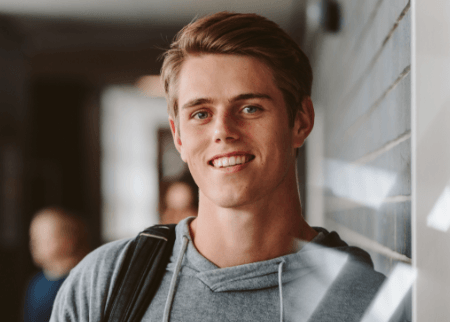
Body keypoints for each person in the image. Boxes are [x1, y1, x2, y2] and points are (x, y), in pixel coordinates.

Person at [50, 12, 390, 321]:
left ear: (301, 121)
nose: (223, 131)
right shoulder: (104, 284)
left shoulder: (372, 304)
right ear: (179, 136)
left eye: (250, 108)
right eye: (200, 114)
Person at [24, 207, 90, 322]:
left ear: (69, 241)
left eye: (45, 237)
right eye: (33, 237)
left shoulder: (83, 282)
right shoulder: (36, 283)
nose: (34, 243)